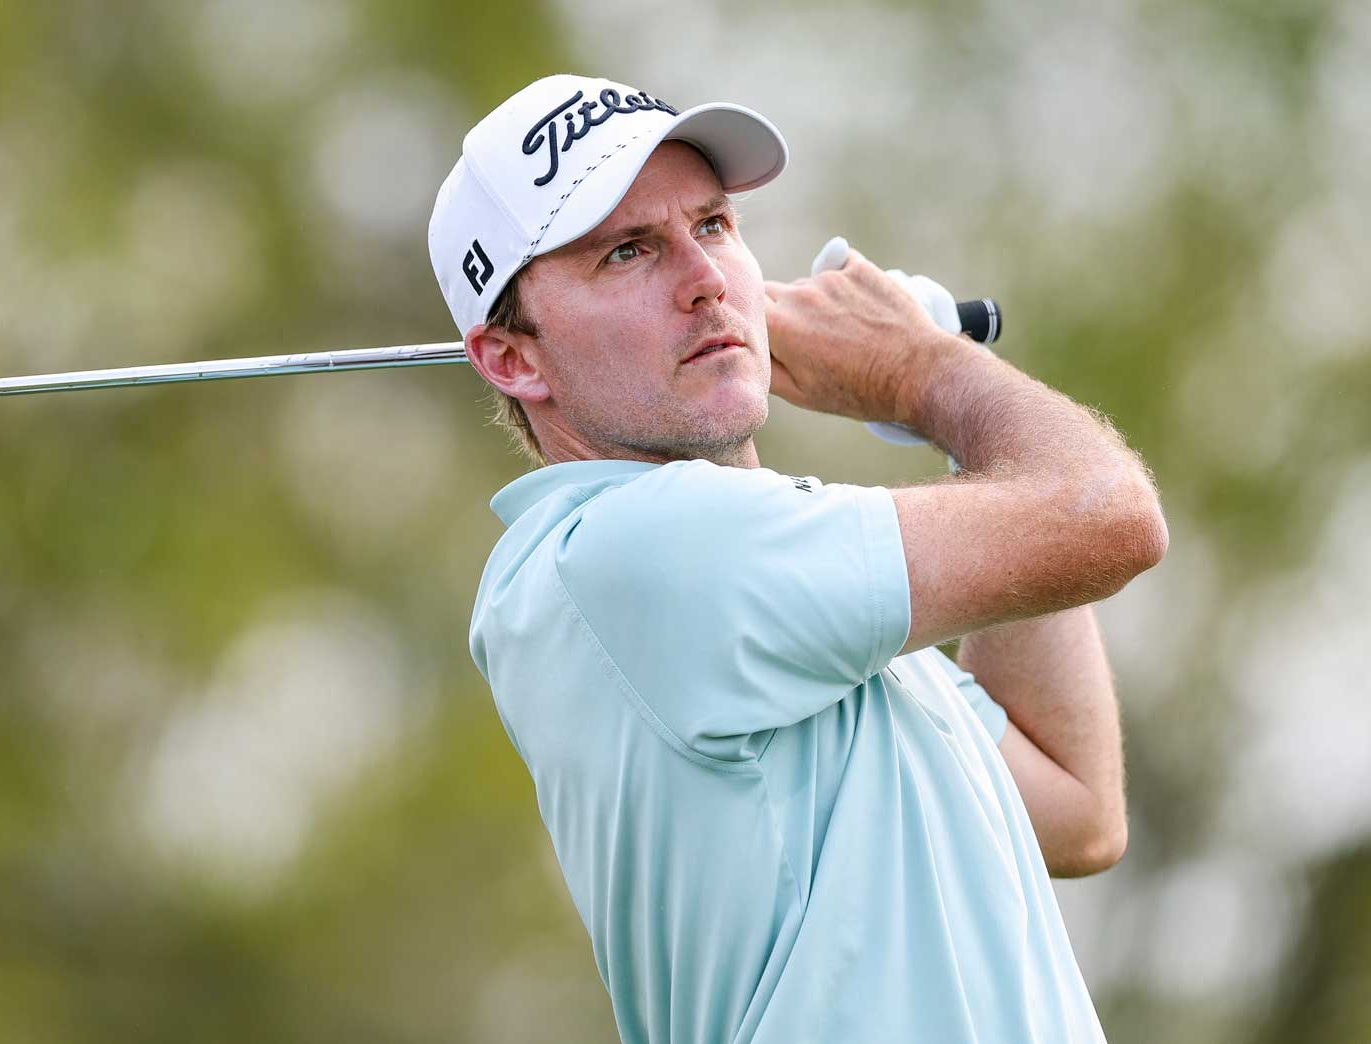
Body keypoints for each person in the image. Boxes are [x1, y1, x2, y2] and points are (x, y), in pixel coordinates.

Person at [431, 74, 1167, 1043]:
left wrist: (956, 418)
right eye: (625, 252)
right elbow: (1104, 516)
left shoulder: (786, 581)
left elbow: (1076, 810)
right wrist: (922, 373)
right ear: (513, 359)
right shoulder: (633, 552)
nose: (701, 279)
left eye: (712, 225)